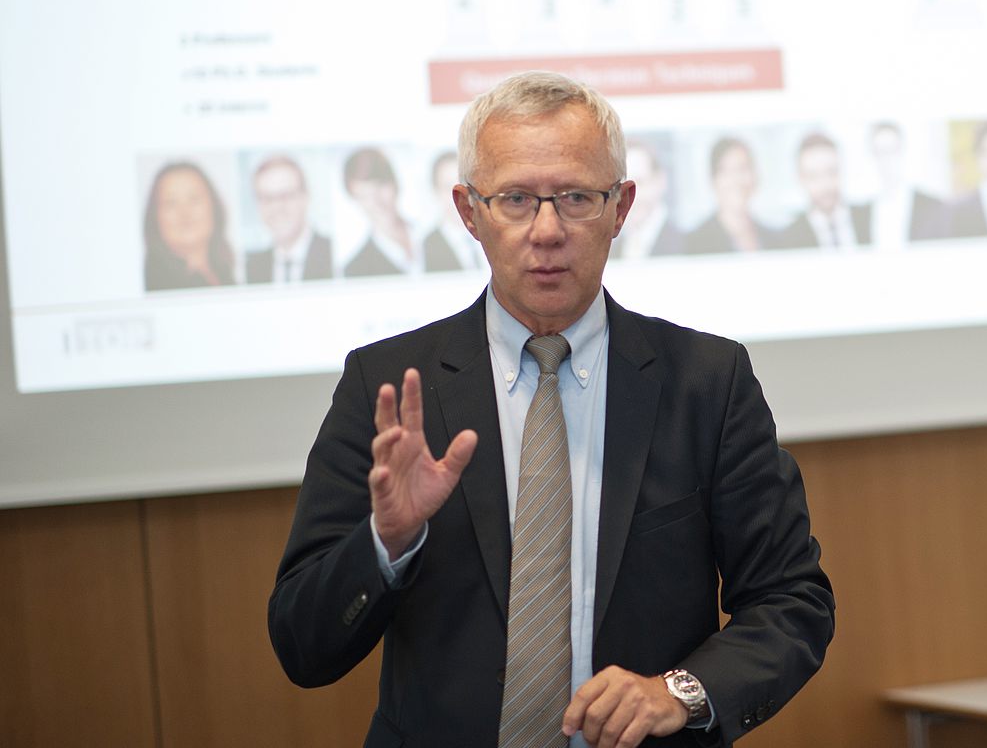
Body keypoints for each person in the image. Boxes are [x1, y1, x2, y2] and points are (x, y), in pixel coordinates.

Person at [268, 71, 834, 748]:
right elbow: (302, 646)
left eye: (576, 198)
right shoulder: (388, 385)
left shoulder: (706, 382)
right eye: (515, 199)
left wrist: (679, 691)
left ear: (620, 208)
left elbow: (791, 600)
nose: (546, 230)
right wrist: (385, 543)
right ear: (469, 212)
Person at [143, 160, 236, 291]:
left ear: (214, 207)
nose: (185, 213)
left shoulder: (226, 273)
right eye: (171, 203)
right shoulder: (155, 286)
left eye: (194, 199)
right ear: (155, 217)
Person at [244, 155, 333, 284]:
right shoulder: (252, 268)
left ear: (305, 197)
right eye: (267, 198)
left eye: (286, 196)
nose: (277, 208)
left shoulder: (333, 255)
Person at [784, 133, 872, 250]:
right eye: (814, 176)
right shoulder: (789, 239)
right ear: (801, 179)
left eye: (832, 172)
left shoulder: (871, 219)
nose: (825, 184)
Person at [342, 147, 421, 276]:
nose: (376, 202)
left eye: (379, 187)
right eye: (365, 196)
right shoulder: (355, 269)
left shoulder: (428, 235)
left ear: (395, 184)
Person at [865, 122, 947, 247]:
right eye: (880, 152)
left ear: (902, 151)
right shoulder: (864, 213)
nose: (886, 160)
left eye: (891, 151)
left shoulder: (932, 206)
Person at [609, 139, 684, 260]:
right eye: (620, 186)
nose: (629, 197)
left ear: (660, 181)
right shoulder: (612, 251)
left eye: (639, 183)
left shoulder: (683, 243)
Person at [423, 149, 488, 272]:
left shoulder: (491, 233)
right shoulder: (427, 245)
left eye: (464, 185)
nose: (460, 196)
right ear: (435, 192)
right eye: (447, 187)